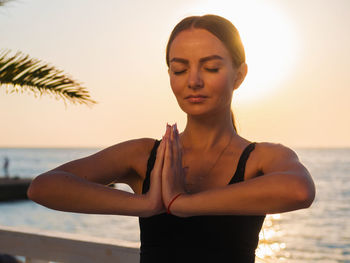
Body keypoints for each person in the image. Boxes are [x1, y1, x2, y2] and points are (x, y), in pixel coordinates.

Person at [27, 14, 315, 262]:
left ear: (239, 76)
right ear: (170, 75)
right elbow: (43, 187)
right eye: (179, 69)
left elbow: (300, 190)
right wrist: (145, 204)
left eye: (211, 67)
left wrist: (182, 204)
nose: (193, 81)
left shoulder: (261, 158)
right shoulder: (144, 155)